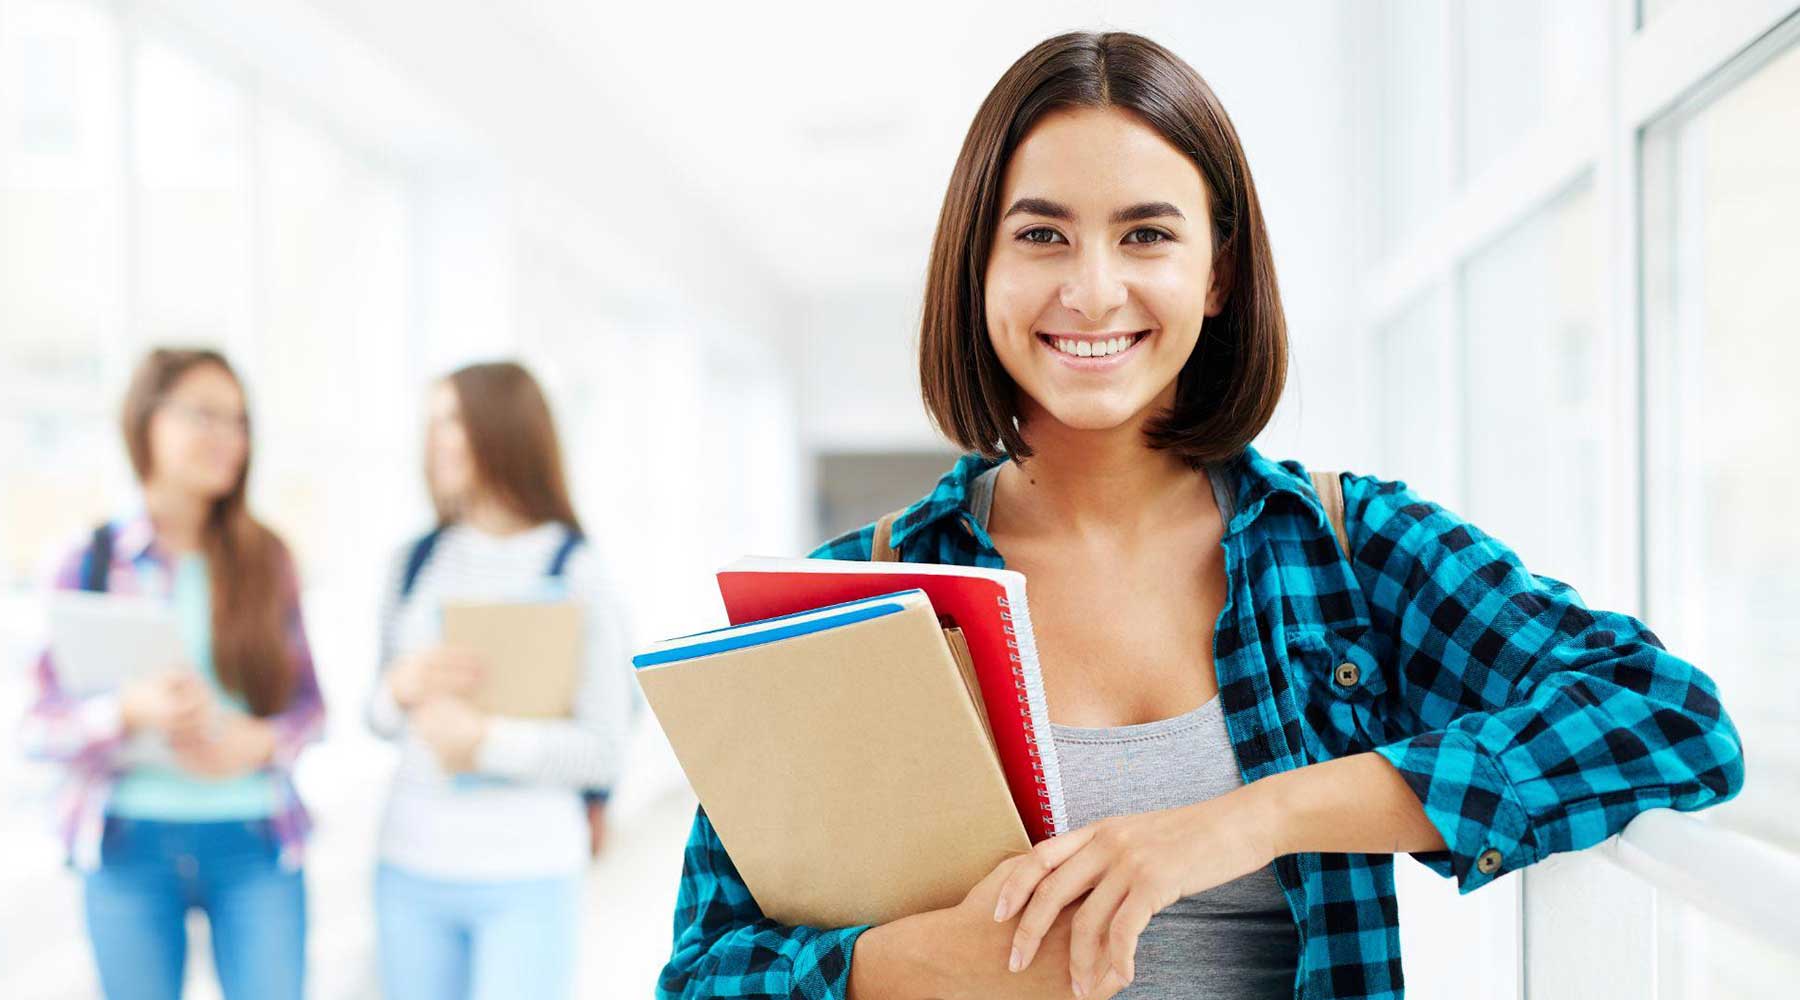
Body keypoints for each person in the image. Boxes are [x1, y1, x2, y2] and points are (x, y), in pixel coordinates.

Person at [658, 31, 1744, 1000]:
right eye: (1041, 236)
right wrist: (901, 967)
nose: (1093, 291)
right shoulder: (847, 603)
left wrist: (1245, 820)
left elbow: (1667, 715)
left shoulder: (1345, 549)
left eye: (1145, 235)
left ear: (1217, 274)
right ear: (978, 267)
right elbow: (704, 971)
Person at [23, 347, 325, 1000]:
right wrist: (125, 712)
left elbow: (310, 707)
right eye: (204, 415)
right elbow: (36, 728)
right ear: (146, 421)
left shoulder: (268, 559)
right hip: (128, 844)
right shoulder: (88, 561)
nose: (228, 438)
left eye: (239, 421)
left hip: (253, 837)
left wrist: (263, 742)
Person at [367, 360, 632, 1000]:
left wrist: (485, 744)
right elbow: (374, 716)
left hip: (528, 870)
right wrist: (399, 689)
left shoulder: (578, 571)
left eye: (453, 421)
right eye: (432, 423)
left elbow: (604, 749)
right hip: (410, 865)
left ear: (504, 430)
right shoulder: (413, 562)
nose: (436, 440)